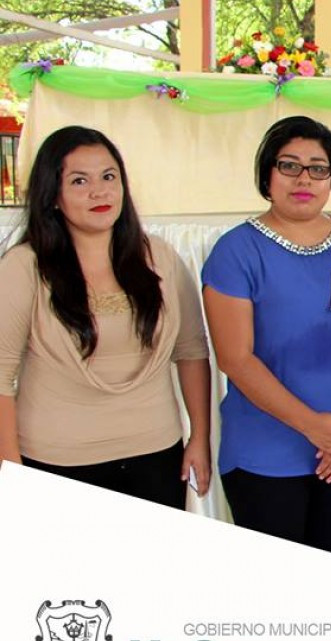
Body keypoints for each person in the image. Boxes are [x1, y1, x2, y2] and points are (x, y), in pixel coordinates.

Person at [201, 116, 331, 555]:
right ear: (267, 175)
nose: (304, 178)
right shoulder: (236, 251)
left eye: (318, 168)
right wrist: (314, 428)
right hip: (264, 455)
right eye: (289, 166)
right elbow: (236, 359)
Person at [0, 126, 211, 508]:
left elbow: (192, 351)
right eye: (80, 180)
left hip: (157, 454)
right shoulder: (24, 267)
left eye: (109, 176)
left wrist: (199, 437)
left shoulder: (159, 257)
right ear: (52, 197)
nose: (100, 191)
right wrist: (11, 469)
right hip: (57, 460)